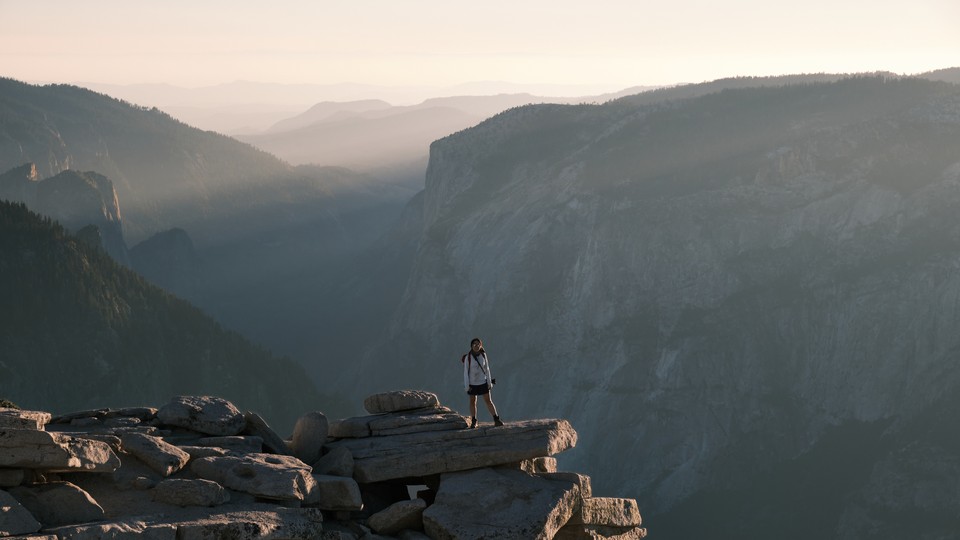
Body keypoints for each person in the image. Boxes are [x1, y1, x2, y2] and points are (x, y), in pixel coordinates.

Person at [462, 337, 503, 428]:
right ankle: (474, 421)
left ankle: (496, 419)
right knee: (473, 402)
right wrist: (467, 386)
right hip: (472, 383)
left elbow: (487, 369)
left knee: (488, 401)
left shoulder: (483, 355)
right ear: (471, 346)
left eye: (478, 344)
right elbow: (465, 372)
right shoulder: (468, 357)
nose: (476, 346)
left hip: (483, 382)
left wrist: (489, 382)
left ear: (481, 345)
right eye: (474, 344)